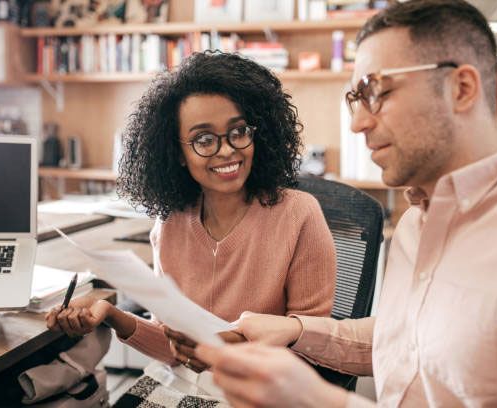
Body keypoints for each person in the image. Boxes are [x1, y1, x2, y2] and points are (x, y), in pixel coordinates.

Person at [195, 1, 497, 406]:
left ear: (461, 88)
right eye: (355, 98)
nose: (357, 123)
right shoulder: (417, 223)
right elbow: (410, 341)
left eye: (375, 91)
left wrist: (319, 401)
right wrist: (294, 330)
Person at [45, 51, 336, 383]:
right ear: (177, 153)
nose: (226, 150)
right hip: (187, 390)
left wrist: (226, 348)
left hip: (267, 393)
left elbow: (313, 347)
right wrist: (111, 315)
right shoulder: (170, 225)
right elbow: (174, 347)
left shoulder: (300, 215)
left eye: (238, 132)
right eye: (204, 139)